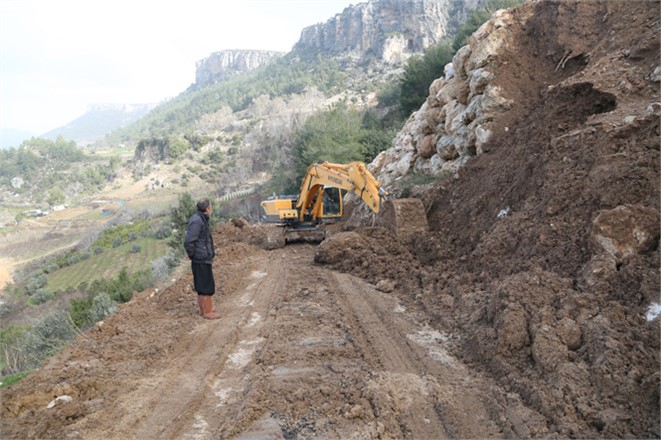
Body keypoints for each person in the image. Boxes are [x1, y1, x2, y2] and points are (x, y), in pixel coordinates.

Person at [183, 198, 221, 319]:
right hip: (201, 259)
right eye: (211, 207)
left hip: (201, 258)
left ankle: (204, 310)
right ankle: (207, 312)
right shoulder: (198, 221)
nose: (211, 209)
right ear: (207, 209)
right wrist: (193, 255)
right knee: (206, 286)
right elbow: (188, 241)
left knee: (202, 286)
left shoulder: (200, 219)